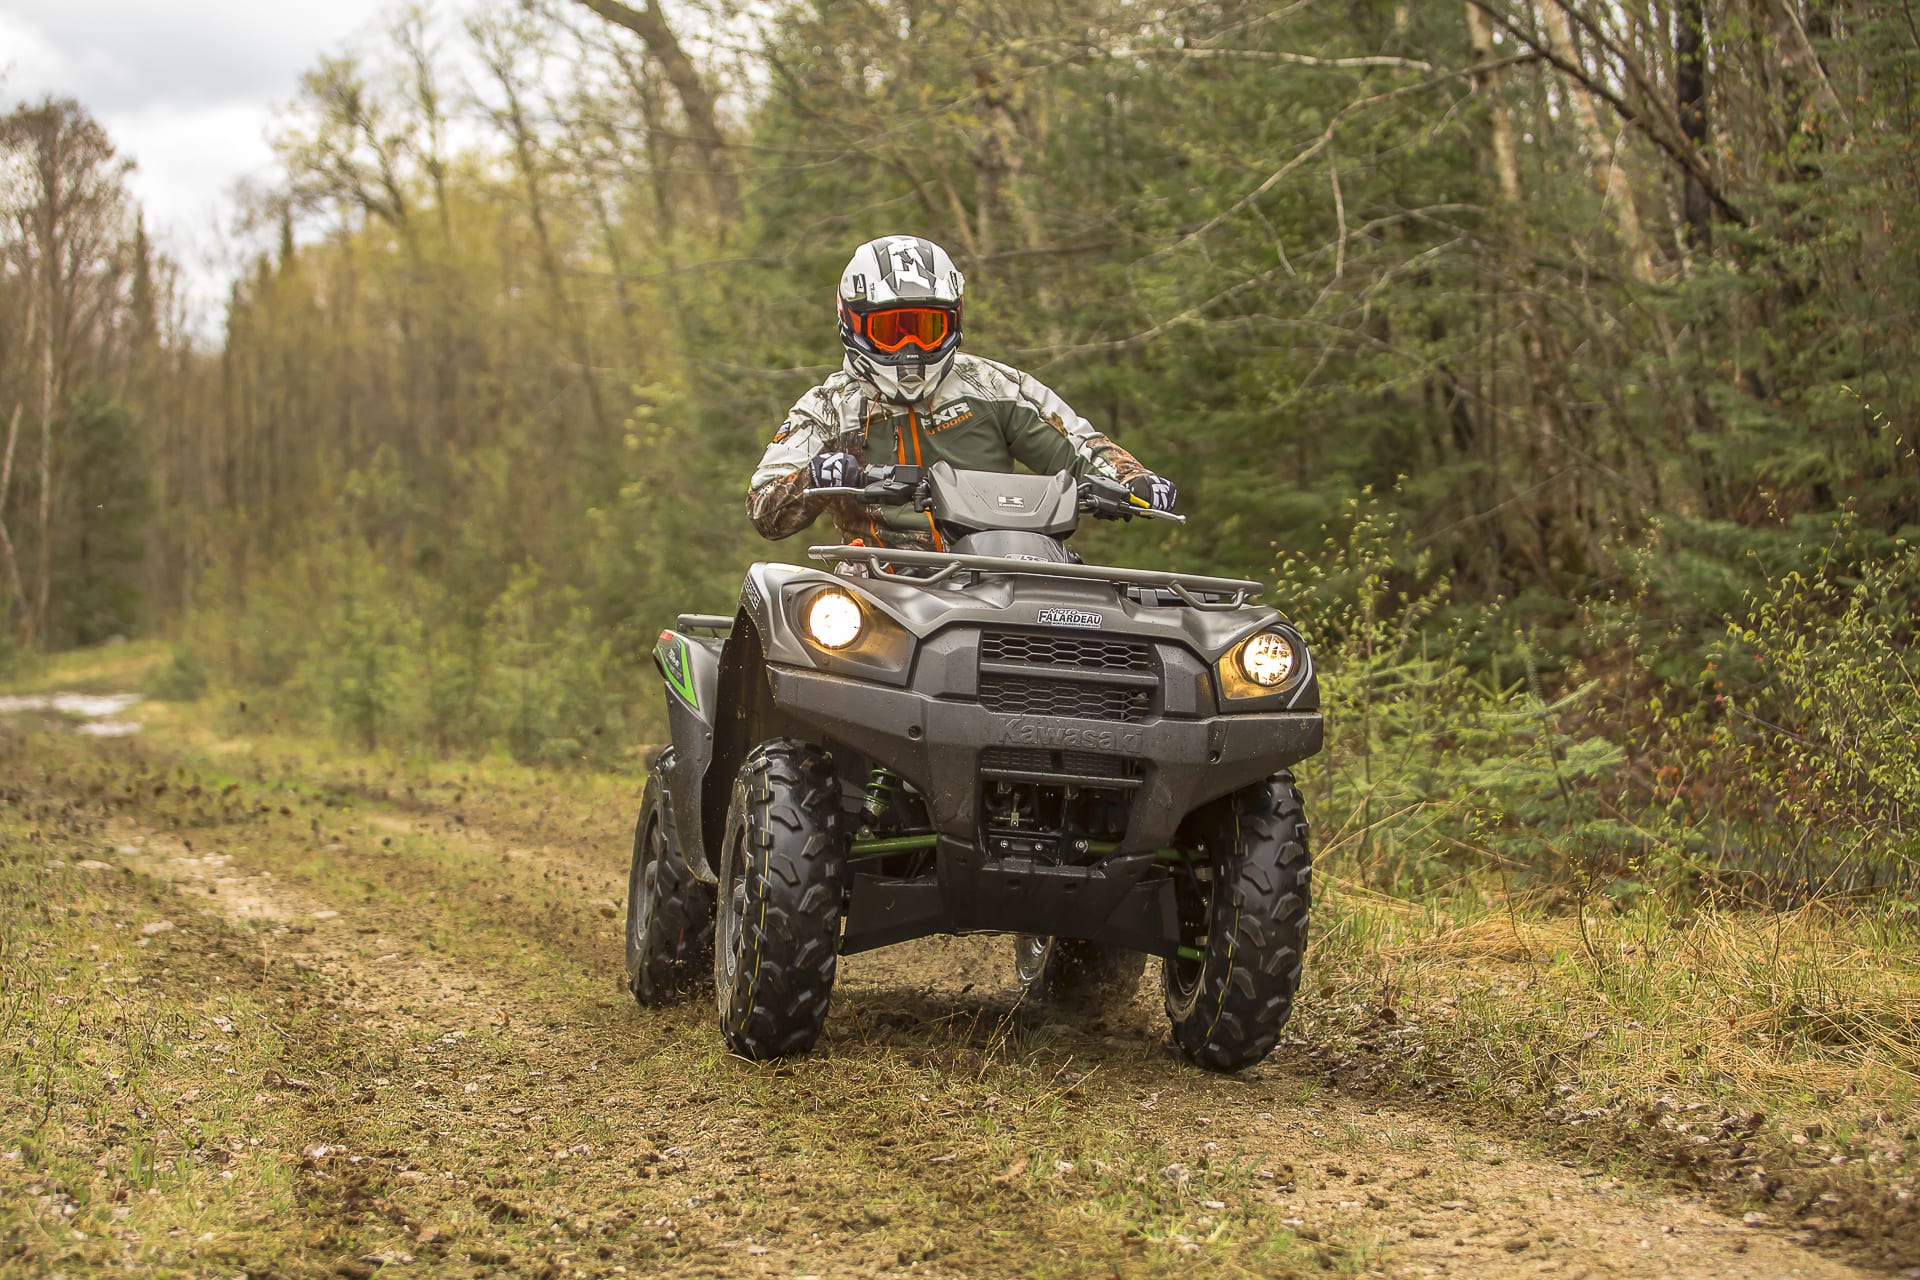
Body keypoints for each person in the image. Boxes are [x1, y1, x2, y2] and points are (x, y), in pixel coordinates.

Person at [746, 234, 1180, 551]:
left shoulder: (993, 385)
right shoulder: (828, 409)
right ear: (852, 323)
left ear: (953, 322)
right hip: (881, 582)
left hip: (1009, 568)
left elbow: (1080, 446)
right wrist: (815, 477)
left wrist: (1131, 480)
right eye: (892, 331)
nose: (911, 347)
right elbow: (764, 506)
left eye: (926, 327)